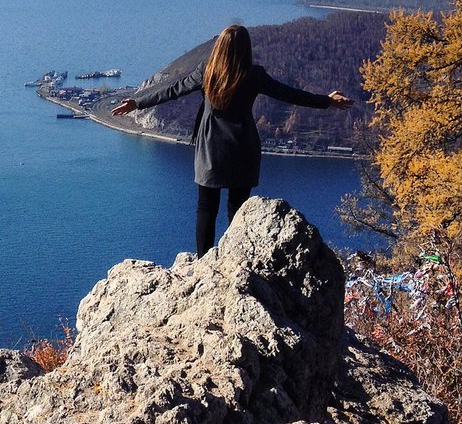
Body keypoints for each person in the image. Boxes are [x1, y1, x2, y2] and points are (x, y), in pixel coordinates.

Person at [111, 24, 353, 257]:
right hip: (243, 147)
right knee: (237, 211)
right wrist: (326, 100)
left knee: (206, 207)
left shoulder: (206, 72)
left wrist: (137, 102)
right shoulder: (254, 75)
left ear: (219, 48)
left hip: (211, 148)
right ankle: (234, 259)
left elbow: (173, 90)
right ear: (246, 49)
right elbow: (290, 94)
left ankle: (203, 261)